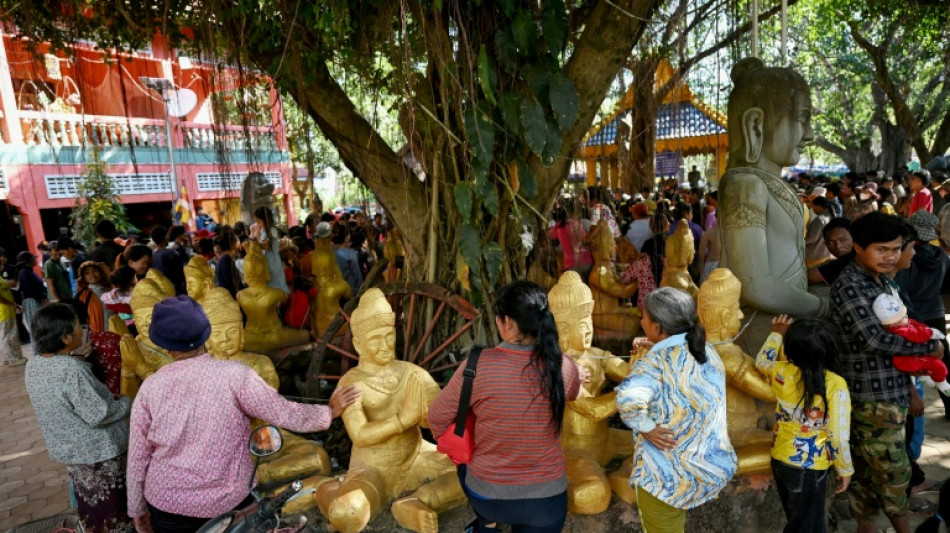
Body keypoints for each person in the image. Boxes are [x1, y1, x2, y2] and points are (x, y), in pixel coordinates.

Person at [126, 296, 361, 533]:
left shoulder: (150, 388)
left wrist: (136, 509)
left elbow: (137, 455)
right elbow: (283, 413)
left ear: (165, 346)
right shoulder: (235, 375)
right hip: (227, 502)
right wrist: (329, 412)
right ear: (207, 335)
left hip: (168, 504)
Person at [428, 281, 584, 533]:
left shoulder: (478, 365)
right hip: (547, 501)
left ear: (507, 322)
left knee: (466, 468)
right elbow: (575, 393)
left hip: (488, 495)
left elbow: (436, 418)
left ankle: (486, 523)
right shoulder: (564, 366)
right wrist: (578, 374)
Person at [830, 211, 943, 533]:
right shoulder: (851, 285)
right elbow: (874, 339)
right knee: (894, 475)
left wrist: (909, 386)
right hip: (870, 398)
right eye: (881, 249)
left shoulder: (879, 281)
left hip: (889, 392)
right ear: (858, 247)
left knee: (869, 477)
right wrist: (928, 348)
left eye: (895, 249)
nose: (890, 256)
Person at [616, 287, 737, 533]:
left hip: (665, 478)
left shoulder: (654, 362)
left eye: (644, 316)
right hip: (708, 468)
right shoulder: (707, 351)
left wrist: (647, 427)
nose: (641, 321)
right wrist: (658, 344)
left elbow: (628, 401)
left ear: (657, 327)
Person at [25, 303, 133, 533]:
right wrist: (127, 402)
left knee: (91, 510)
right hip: (99, 454)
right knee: (112, 515)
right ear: (65, 338)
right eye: (77, 326)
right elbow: (98, 414)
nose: (82, 330)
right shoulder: (71, 369)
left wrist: (78, 362)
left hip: (72, 452)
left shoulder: (33, 365)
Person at [756, 315, 853, 533]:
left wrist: (776, 334)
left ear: (790, 349)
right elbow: (837, 436)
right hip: (810, 469)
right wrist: (845, 468)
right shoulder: (835, 384)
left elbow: (762, 361)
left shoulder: (781, 372)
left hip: (781, 460)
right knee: (809, 527)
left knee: (797, 520)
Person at [872, 293, 950, 394]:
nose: (906, 316)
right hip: (910, 360)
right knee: (939, 366)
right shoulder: (900, 330)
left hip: (913, 357)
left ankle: (926, 377)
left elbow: (916, 324)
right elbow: (915, 335)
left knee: (930, 365)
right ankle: (942, 383)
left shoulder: (901, 323)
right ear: (892, 323)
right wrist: (931, 333)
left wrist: (924, 329)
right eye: (902, 317)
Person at [249, 206, 288, 293]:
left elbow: (267, 246)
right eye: (257, 222)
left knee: (275, 284)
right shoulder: (266, 230)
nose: (258, 225)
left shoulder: (271, 230)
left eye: (259, 222)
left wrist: (255, 244)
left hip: (272, 261)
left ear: (266, 220)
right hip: (269, 260)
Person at [16, 251, 46, 336]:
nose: (35, 260)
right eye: (33, 259)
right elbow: (30, 289)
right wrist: (42, 297)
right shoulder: (24, 272)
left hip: (36, 300)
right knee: (36, 327)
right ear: (27, 262)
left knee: (41, 325)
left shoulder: (29, 271)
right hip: (31, 301)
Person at [0, 270, 24, 366]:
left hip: (8, 311)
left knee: (12, 336)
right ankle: (12, 360)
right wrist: (12, 304)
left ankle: (10, 358)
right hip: (3, 312)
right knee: (7, 337)